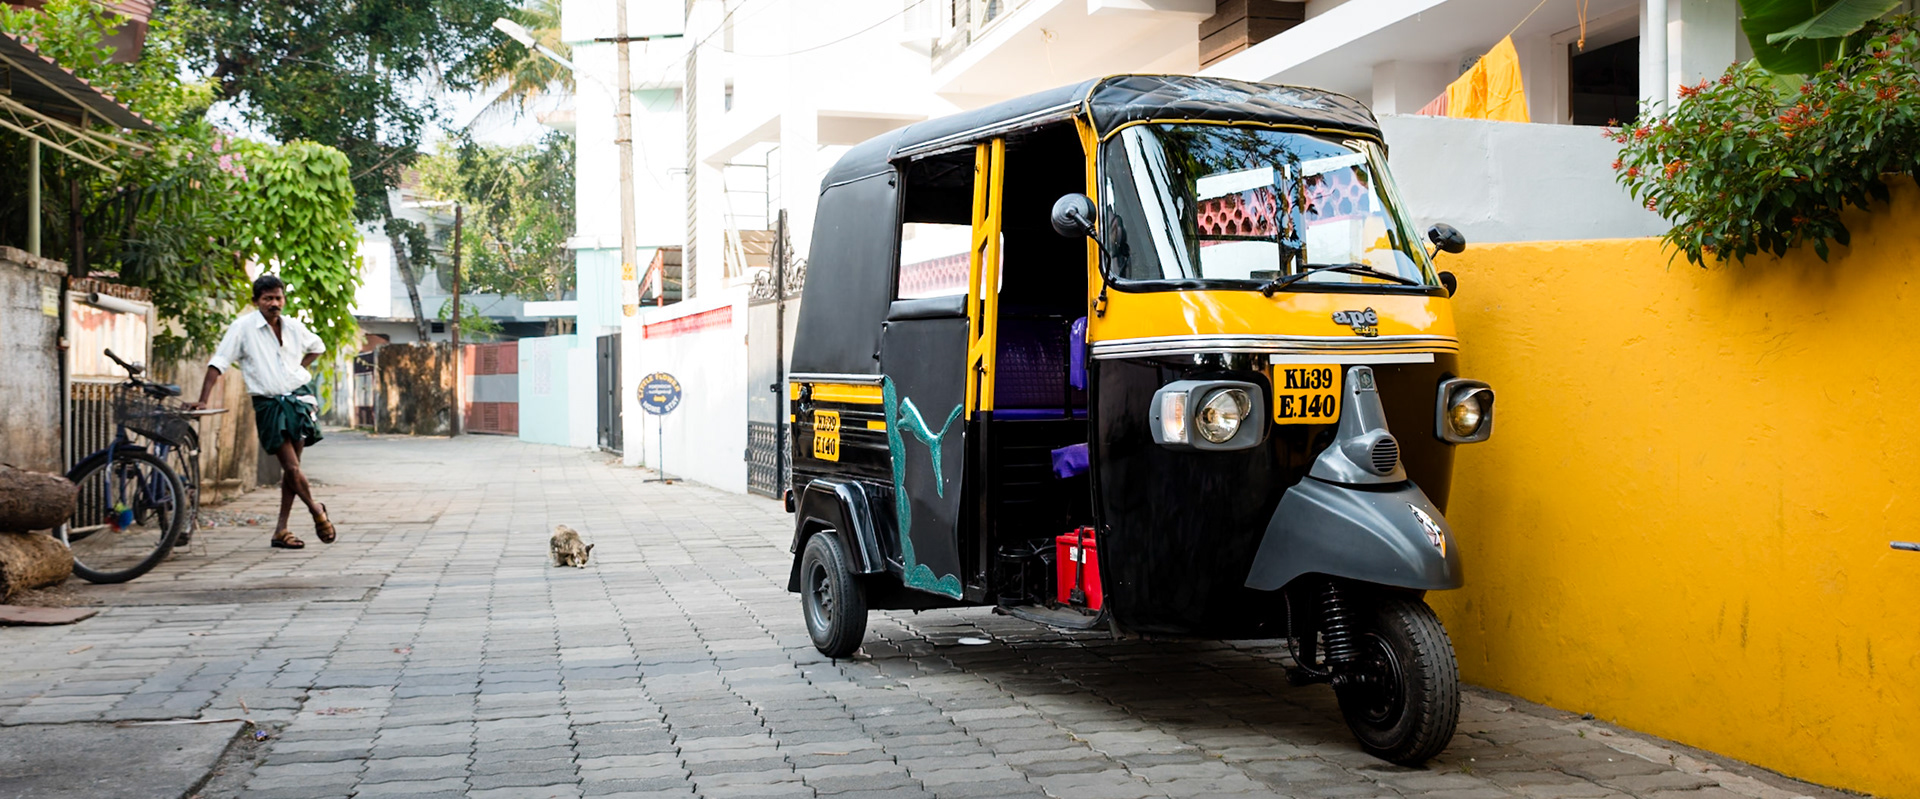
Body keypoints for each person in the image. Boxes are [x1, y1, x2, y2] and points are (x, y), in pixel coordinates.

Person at [188, 274, 336, 549]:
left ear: (284, 299)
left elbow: (318, 346)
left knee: (292, 471)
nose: (274, 303)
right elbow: (218, 362)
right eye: (267, 298)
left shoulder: (293, 326)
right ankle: (316, 510)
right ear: (256, 301)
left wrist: (297, 370)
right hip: (268, 405)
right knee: (290, 466)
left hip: (297, 400)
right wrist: (203, 400)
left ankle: (281, 529)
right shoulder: (243, 328)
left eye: (278, 298)